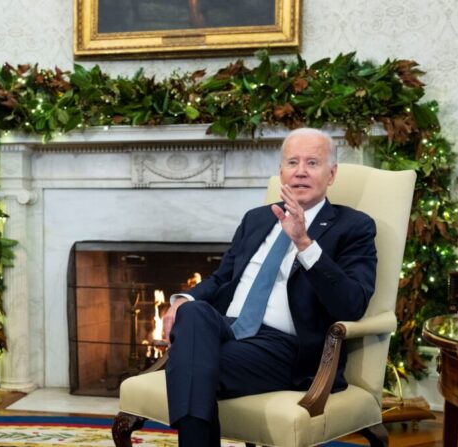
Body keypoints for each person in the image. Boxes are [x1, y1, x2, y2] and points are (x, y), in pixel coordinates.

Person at [162, 128, 378, 446]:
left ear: (332, 174)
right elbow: (222, 278)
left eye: (312, 163)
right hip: (227, 330)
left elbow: (352, 303)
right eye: (292, 162)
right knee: (192, 312)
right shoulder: (257, 219)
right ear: (281, 173)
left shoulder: (353, 226)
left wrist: (304, 242)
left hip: (284, 347)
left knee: (190, 366)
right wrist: (182, 300)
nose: (301, 171)